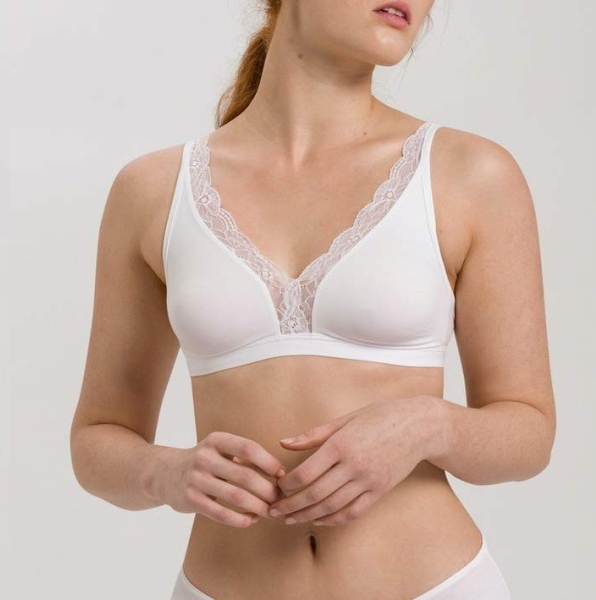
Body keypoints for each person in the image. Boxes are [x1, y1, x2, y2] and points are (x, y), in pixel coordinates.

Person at [70, 1, 556, 598]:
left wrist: (428, 426)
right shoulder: (153, 192)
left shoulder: (471, 175)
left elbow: (528, 433)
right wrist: (164, 473)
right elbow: (98, 436)